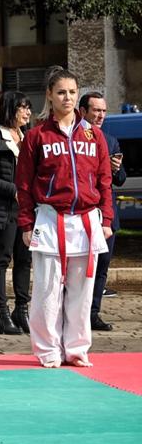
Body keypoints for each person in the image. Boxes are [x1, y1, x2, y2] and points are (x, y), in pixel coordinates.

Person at [16, 69, 113, 368]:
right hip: (49, 218)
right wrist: (25, 224)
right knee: (47, 290)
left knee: (82, 292)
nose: (67, 98)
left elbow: (103, 180)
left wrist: (106, 219)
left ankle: (76, 349)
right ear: (49, 95)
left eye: (72, 92)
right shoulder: (37, 136)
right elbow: (24, 184)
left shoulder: (93, 135)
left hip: (85, 220)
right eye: (61, 92)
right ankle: (47, 350)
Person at [0, 91, 34, 335]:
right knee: (1, 260)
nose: (27, 112)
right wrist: (14, 191)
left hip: (26, 208)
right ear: (11, 109)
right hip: (4, 207)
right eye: (22, 107)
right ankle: (0, 312)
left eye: (28, 108)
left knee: (25, 259)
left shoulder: (29, 137)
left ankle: (22, 309)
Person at [79, 92, 128, 331]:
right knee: (79, 269)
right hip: (81, 213)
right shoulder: (75, 137)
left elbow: (120, 179)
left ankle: (93, 314)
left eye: (103, 111)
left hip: (107, 216)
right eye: (96, 110)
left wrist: (115, 169)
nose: (100, 115)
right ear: (83, 111)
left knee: (102, 268)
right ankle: (74, 313)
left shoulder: (110, 140)